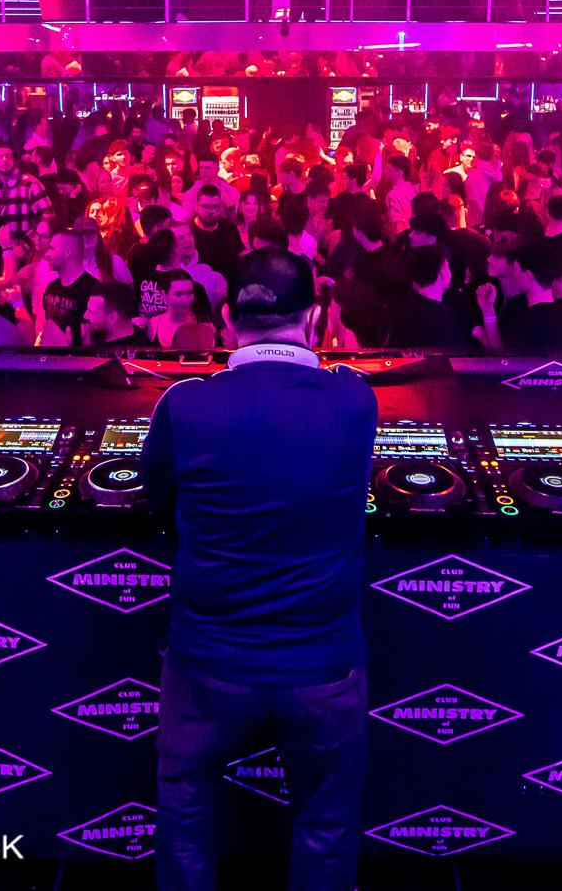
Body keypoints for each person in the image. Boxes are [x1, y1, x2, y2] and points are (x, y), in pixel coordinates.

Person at [146, 248, 375, 891]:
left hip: (205, 663)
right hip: (323, 666)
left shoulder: (184, 403)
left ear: (226, 318)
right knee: (325, 826)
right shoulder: (355, 400)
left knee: (186, 814)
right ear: (316, 317)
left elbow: (155, 495)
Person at [83, 280, 143, 346]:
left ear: (112, 318)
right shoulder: (98, 339)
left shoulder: (139, 349)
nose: (85, 316)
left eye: (92, 313)